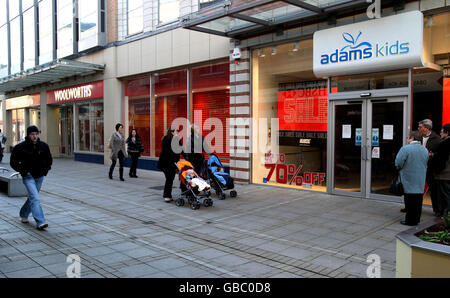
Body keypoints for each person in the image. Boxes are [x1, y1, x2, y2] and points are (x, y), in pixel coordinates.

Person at [10, 125, 52, 230]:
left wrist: (45, 170)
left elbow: (49, 160)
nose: (35, 136)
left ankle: (23, 213)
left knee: (33, 198)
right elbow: (13, 162)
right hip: (28, 177)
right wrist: (23, 171)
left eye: (36, 134)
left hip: (40, 176)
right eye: (32, 134)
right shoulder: (20, 147)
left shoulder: (43, 146)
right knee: (35, 198)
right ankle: (40, 222)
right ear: (28, 135)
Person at [395, 131, 429, 226]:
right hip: (420, 179)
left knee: (409, 201)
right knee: (418, 200)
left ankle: (410, 220)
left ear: (412, 138)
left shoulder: (405, 149)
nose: (408, 140)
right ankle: (416, 219)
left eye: (409, 138)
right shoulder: (424, 150)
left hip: (408, 178)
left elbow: (398, 163)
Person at [418, 119, 441, 216]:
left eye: (420, 127)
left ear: (426, 128)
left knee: (434, 189)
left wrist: (433, 154)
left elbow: (440, 153)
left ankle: (437, 210)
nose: (418, 128)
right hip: (419, 167)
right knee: (417, 188)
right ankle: (414, 207)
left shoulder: (436, 139)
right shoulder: (417, 137)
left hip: (430, 168)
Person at [157, 127, 182, 202]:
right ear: (172, 132)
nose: (177, 132)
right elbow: (166, 151)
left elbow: (180, 149)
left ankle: (168, 195)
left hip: (173, 163)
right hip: (166, 163)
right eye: (176, 131)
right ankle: (166, 195)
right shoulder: (166, 139)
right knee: (169, 178)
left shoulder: (177, 139)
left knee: (170, 179)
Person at [432, 123, 450, 216]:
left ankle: (446, 214)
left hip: (444, 174)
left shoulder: (444, 143)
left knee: (445, 195)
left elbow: (441, 160)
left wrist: (434, 156)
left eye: (442, 132)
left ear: (446, 133)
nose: (440, 133)